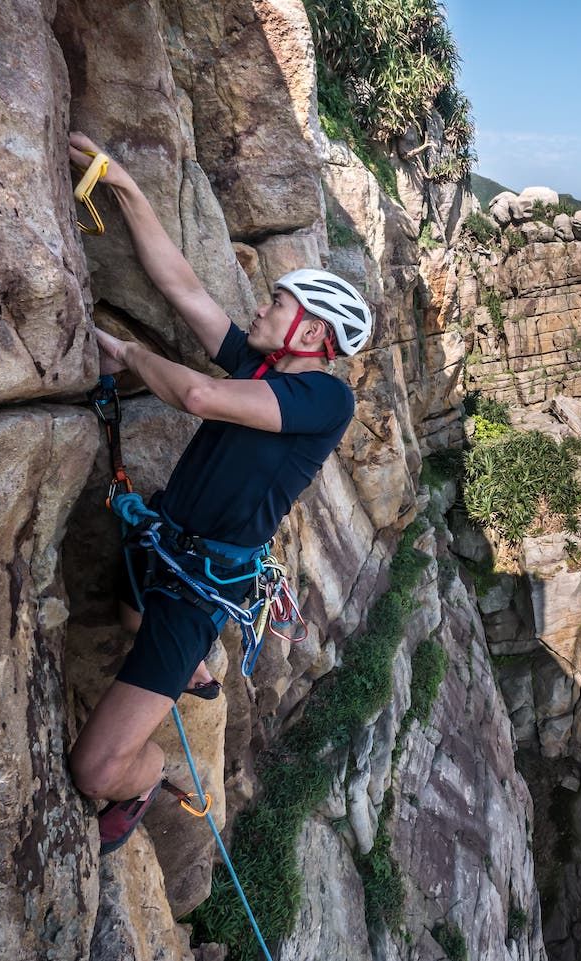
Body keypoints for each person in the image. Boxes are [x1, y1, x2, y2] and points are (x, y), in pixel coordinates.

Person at [65, 132, 372, 854]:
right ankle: (194, 673)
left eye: (277, 302)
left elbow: (200, 395)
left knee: (95, 766)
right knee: (128, 614)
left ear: (313, 329)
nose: (261, 308)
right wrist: (127, 189)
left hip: (200, 587)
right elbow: (183, 288)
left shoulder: (324, 402)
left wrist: (134, 354)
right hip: (161, 542)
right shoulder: (261, 369)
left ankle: (146, 776)